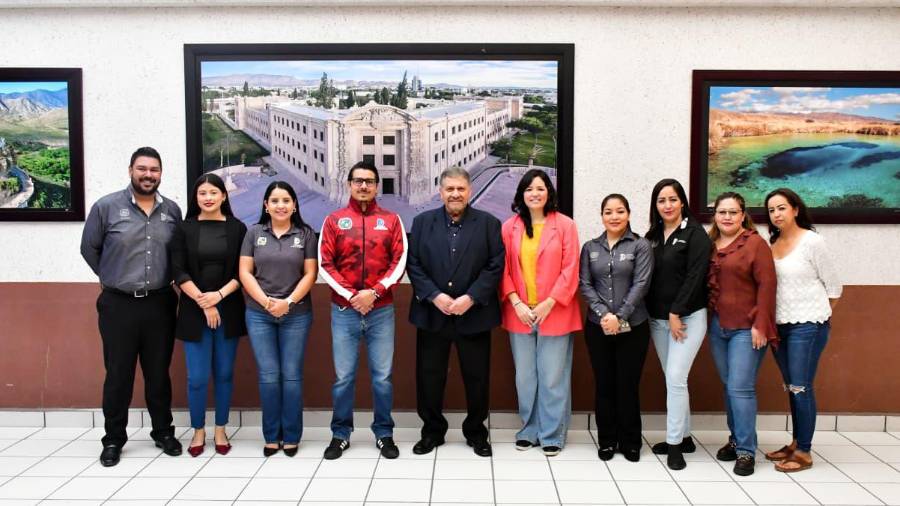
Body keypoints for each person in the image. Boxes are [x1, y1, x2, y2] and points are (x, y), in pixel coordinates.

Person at [80, 147, 183, 467]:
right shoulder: (106, 207)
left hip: (161, 303)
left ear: (161, 174)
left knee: (158, 374)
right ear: (130, 171)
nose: (148, 175)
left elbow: (178, 254)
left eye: (154, 170)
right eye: (142, 169)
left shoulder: (172, 211)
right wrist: (115, 277)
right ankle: (113, 439)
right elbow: (89, 250)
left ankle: (163, 432)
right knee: (118, 375)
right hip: (118, 304)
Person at [406, 167, 505, 457]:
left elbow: (495, 265)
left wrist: (471, 297)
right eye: (449, 189)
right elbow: (414, 264)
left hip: (473, 315)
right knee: (429, 376)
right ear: (441, 192)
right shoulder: (422, 222)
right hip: (432, 314)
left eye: (460, 189)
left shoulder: (488, 224)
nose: (455, 194)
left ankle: (476, 432)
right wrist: (434, 295)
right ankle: (432, 432)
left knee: (477, 377)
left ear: (469, 191)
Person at [318, 161, 407, 460]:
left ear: (377, 186)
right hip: (344, 311)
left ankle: (384, 433)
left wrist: (375, 292)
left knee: (382, 377)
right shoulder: (334, 221)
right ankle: (340, 434)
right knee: (343, 377)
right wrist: (353, 295)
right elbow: (325, 264)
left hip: (381, 311)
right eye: (358, 181)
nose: (364, 186)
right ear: (349, 184)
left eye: (369, 181)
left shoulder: (392, 220)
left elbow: (400, 260)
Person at [500, 169, 581, 457]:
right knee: (525, 376)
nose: (535, 193)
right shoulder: (509, 227)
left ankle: (552, 433)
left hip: (555, 311)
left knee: (552, 376)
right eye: (529, 189)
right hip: (519, 312)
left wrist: (549, 303)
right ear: (521, 194)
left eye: (541, 188)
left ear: (549, 192)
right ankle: (529, 429)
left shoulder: (565, 225)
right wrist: (517, 303)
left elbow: (571, 269)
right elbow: (504, 270)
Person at [764, 188, 841, 473]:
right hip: (780, 326)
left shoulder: (812, 242)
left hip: (808, 325)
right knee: (792, 387)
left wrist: (819, 315)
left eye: (781, 208)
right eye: (771, 210)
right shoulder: (772, 243)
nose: (776, 214)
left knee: (801, 386)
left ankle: (805, 451)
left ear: (795, 209)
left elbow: (834, 286)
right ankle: (796, 441)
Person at [239, 181, 318, 457]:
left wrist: (288, 303)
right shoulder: (253, 233)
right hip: (259, 314)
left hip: (296, 315)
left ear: (295, 205)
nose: (280, 205)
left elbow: (310, 274)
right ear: (266, 205)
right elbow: (245, 272)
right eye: (274, 201)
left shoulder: (306, 234)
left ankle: (292, 434)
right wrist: (266, 302)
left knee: (292, 376)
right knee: (270, 376)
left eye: (286, 200)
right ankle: (272, 435)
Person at [170, 173, 247, 457]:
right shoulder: (184, 228)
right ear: (196, 198)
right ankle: (199, 430)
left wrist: (218, 297)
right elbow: (177, 270)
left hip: (229, 307)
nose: (208, 197)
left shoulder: (238, 228)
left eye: (214, 192)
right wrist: (205, 302)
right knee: (198, 377)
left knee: (225, 374)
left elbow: (244, 272)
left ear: (224, 196)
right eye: (202, 193)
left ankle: (220, 428)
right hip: (194, 310)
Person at [707, 191, 777, 477]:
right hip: (718, 327)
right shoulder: (710, 244)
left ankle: (747, 450)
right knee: (729, 385)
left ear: (742, 214)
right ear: (715, 215)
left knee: (740, 387)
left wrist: (761, 324)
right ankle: (735, 439)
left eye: (732, 212)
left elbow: (768, 286)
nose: (727, 217)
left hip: (747, 330)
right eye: (722, 212)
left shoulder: (755, 244)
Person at [579, 194, 653, 462]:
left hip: (633, 327)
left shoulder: (641, 245)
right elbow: (584, 284)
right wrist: (604, 314)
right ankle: (607, 441)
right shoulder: (590, 247)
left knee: (628, 385)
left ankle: (631, 441)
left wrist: (619, 317)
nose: (614, 216)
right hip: (597, 327)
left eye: (620, 211)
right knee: (605, 385)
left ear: (629, 214)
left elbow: (641, 284)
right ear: (602, 216)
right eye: (608, 212)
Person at [645, 178, 711, 471]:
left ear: (682, 201)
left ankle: (674, 445)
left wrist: (676, 312)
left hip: (686, 318)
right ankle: (684, 436)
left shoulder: (696, 235)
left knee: (675, 378)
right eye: (661, 200)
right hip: (657, 320)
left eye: (672, 199)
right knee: (674, 379)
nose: (667, 205)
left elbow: (695, 277)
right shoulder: (653, 235)